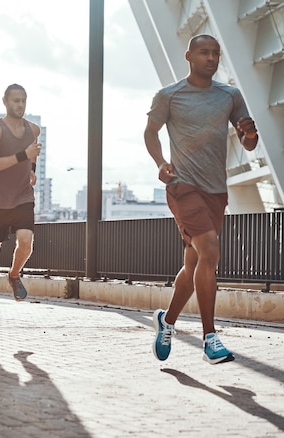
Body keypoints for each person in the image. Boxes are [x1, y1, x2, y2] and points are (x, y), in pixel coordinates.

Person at [144, 34, 258, 364]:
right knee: (209, 250)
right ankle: (211, 338)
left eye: (215, 54)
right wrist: (161, 164)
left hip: (215, 191)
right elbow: (150, 132)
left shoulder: (230, 96)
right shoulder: (169, 96)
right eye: (204, 52)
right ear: (189, 56)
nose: (211, 58)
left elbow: (248, 142)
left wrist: (249, 134)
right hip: (182, 186)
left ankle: (167, 321)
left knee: (194, 264)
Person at [0, 84, 42, 333]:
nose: (20, 105)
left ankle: (14, 275)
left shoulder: (33, 129)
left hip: (22, 196)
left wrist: (33, 169)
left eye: (24, 100)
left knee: (26, 241)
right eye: (16, 100)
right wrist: (23, 156)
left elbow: (34, 152)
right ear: (5, 101)